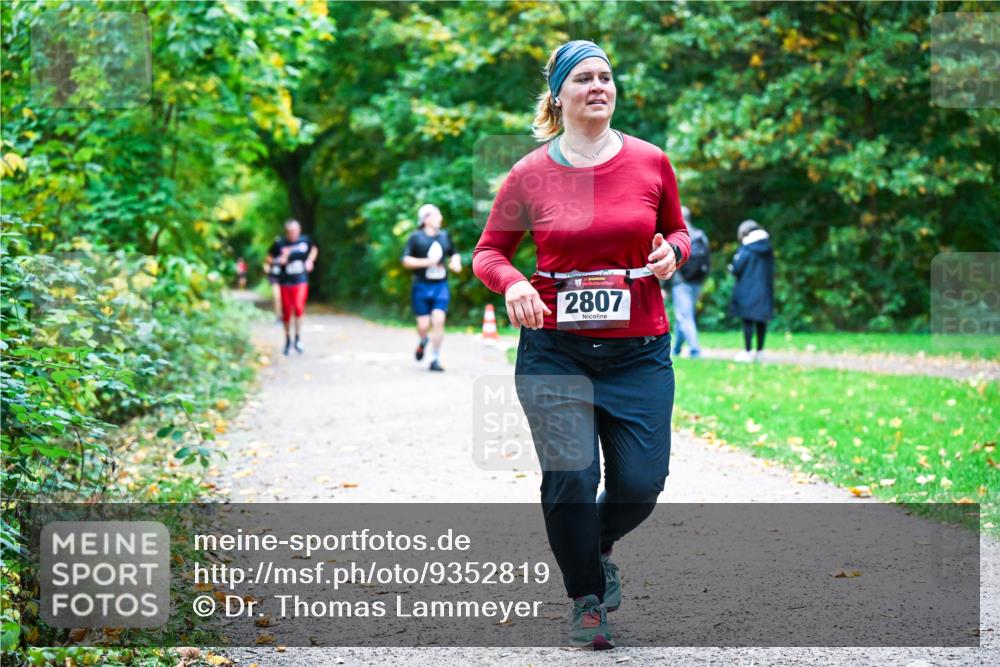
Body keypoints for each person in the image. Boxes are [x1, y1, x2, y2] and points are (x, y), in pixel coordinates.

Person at [472, 40, 690, 649]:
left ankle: (593, 543)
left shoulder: (651, 162)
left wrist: (673, 252)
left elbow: (678, 229)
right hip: (555, 354)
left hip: (638, 351)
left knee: (640, 485)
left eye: (606, 77)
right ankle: (586, 598)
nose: (598, 86)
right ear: (559, 95)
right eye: (584, 79)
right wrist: (513, 283)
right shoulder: (529, 173)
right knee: (569, 478)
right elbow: (488, 252)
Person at [401, 204, 461, 372]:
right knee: (423, 325)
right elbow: (405, 260)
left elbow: (453, 253)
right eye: (437, 215)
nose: (441, 218)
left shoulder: (445, 236)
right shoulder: (415, 237)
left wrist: (455, 262)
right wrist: (428, 262)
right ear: (426, 219)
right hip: (421, 285)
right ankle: (423, 341)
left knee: (439, 319)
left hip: (440, 285)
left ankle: (435, 358)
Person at [663, 206, 711, 358]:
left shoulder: (678, 237)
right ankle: (676, 349)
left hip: (681, 282)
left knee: (685, 315)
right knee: (683, 315)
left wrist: (665, 286)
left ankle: (695, 350)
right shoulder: (700, 235)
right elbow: (708, 261)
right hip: (697, 281)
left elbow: (669, 262)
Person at [728, 219, 774, 362]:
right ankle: (760, 351)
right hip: (765, 289)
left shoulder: (746, 249)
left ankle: (748, 351)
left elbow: (737, 268)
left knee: (747, 320)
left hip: (747, 289)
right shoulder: (768, 247)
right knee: (761, 321)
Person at [271, 219, 318, 355]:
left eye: (295, 231)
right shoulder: (279, 244)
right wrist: (279, 260)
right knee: (286, 311)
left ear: (299, 230)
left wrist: (310, 261)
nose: (293, 234)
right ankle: (287, 340)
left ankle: (298, 338)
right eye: (290, 231)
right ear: (286, 232)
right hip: (285, 281)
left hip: (301, 279)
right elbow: (269, 258)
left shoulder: (305, 241)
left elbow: (314, 249)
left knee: (298, 307)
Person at [264, 237, 283, 322]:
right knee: (277, 297)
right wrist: (267, 267)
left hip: (285, 278)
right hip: (274, 277)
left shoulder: (287, 253)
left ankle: (284, 315)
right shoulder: (271, 254)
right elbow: (266, 263)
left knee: (284, 298)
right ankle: (278, 316)